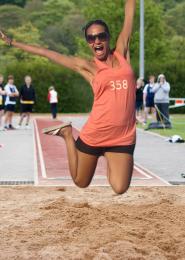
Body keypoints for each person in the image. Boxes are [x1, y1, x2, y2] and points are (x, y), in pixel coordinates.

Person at [0, 0, 136, 194]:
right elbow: (47, 53)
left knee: (120, 188)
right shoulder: (88, 67)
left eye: (100, 36)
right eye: (91, 38)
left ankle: (109, 156)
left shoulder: (122, 51)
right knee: (81, 182)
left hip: (122, 137)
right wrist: (13, 42)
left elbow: (129, 15)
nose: (96, 41)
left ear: (108, 37)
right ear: (88, 42)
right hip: (96, 134)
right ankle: (67, 135)